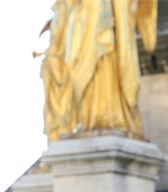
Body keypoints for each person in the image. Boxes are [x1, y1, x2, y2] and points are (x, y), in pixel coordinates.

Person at [41, 0, 157, 140]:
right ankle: (89, 119)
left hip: (105, 22)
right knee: (83, 63)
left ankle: (109, 117)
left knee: (104, 57)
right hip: (84, 19)